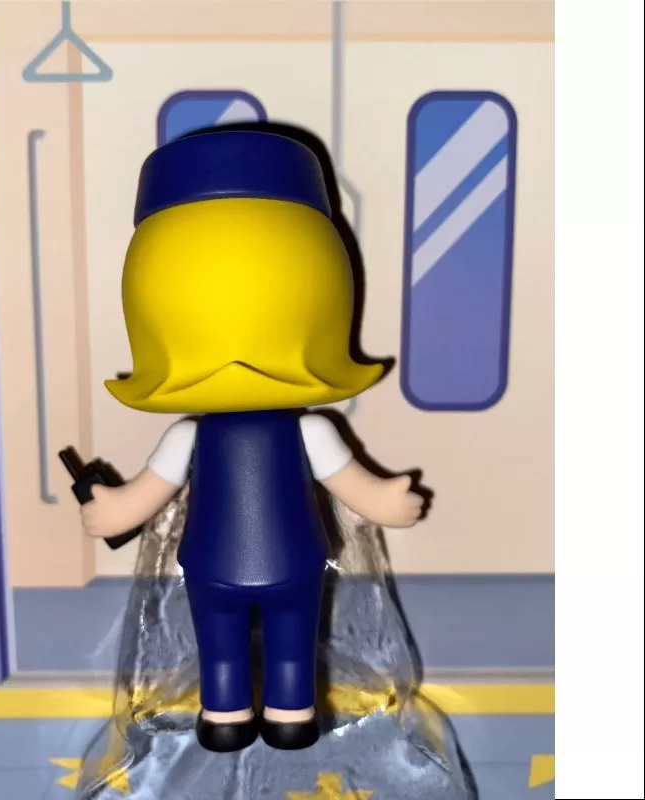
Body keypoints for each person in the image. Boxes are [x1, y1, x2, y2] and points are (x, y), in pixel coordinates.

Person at [78, 128, 424, 753]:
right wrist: (116, 510)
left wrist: (384, 502)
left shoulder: (296, 431)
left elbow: (351, 484)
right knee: (229, 644)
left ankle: (285, 709)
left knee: (288, 640)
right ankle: (228, 711)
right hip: (242, 563)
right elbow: (148, 493)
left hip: (265, 561)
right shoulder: (207, 435)